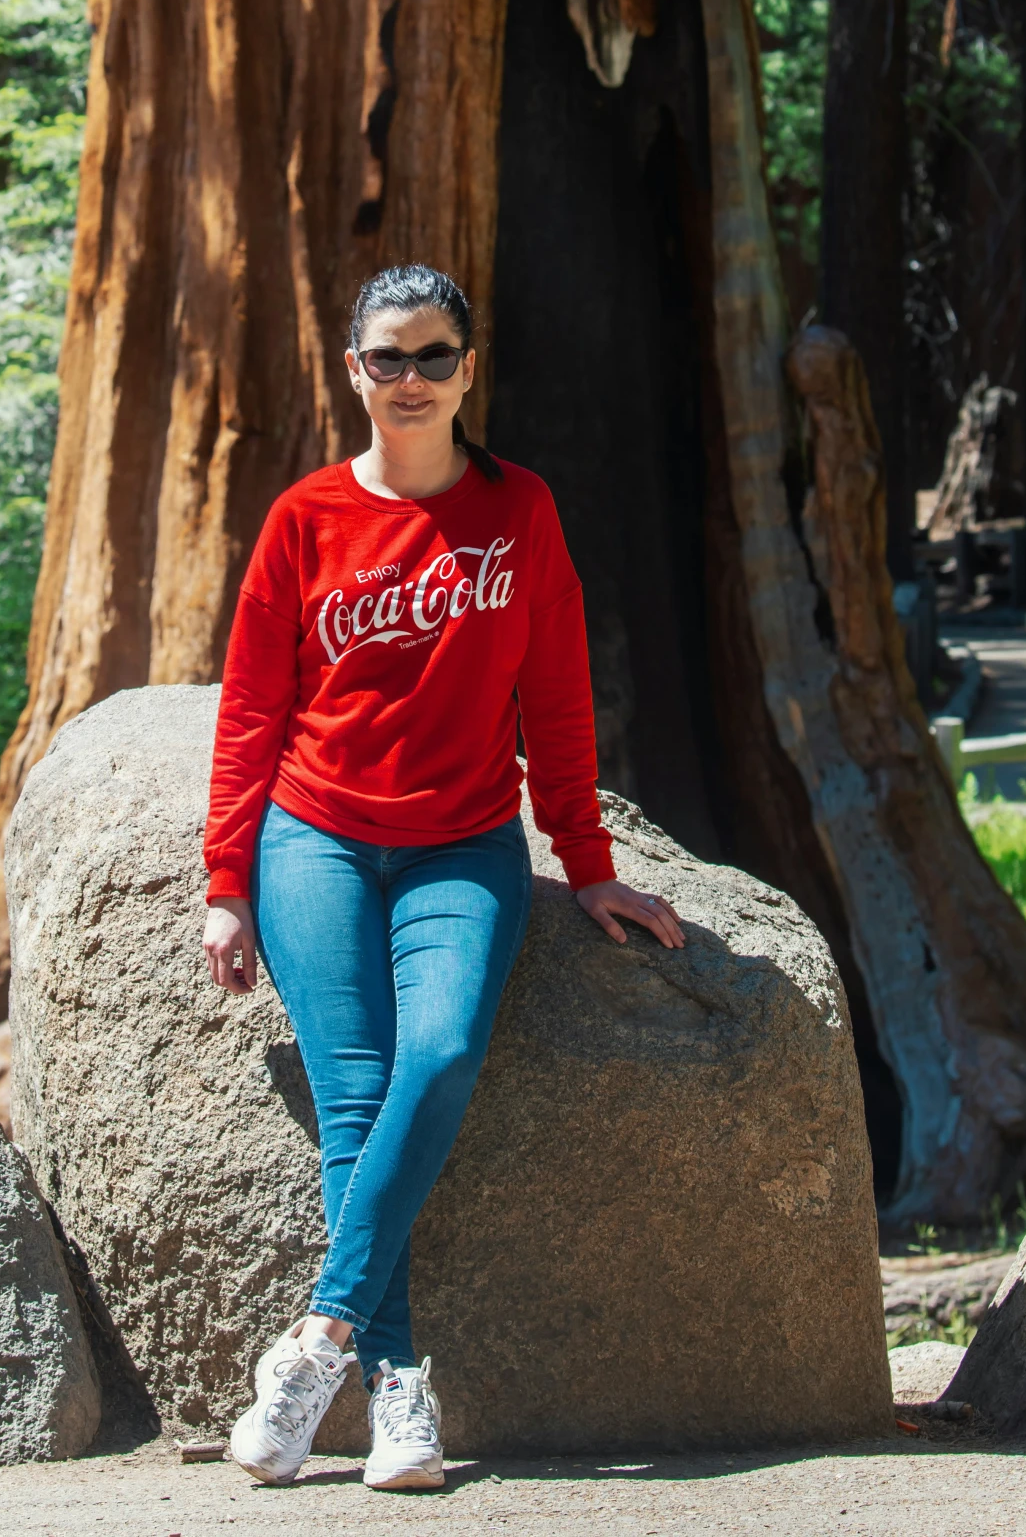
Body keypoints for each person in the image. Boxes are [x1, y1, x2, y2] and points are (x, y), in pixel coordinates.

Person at [202, 263, 683, 1491]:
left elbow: (556, 694)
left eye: (432, 355)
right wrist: (227, 878)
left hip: (463, 842)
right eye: (385, 357)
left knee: (445, 1050)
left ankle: (318, 1340)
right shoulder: (304, 518)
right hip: (312, 837)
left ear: (468, 369)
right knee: (355, 1094)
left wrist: (587, 865)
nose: (408, 378)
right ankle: (400, 1390)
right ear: (351, 369)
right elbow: (254, 705)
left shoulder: (519, 512)